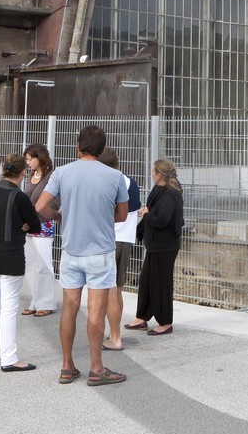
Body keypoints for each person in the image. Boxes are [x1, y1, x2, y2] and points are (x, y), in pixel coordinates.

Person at [35, 124, 128, 387]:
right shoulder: (114, 176)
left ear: (78, 146)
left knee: (70, 309)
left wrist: (59, 216)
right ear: (102, 149)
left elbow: (40, 206)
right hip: (100, 252)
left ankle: (67, 366)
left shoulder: (62, 173)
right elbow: (121, 215)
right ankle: (96, 368)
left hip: (71, 252)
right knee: (96, 311)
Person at [0, 153, 43, 372]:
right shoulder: (20, 196)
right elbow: (35, 226)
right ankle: (9, 358)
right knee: (9, 307)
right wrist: (23, 224)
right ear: (24, 173)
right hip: (10, 255)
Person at [127, 157, 184, 336]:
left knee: (161, 284)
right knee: (146, 281)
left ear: (159, 174)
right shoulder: (159, 190)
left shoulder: (171, 194)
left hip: (165, 246)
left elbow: (162, 220)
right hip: (155, 245)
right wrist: (147, 215)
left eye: (153, 171)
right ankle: (142, 317)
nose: (151, 174)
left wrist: (146, 215)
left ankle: (165, 322)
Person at [96, 147, 144, 351]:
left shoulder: (103, 182)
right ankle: (115, 332)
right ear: (117, 160)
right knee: (118, 289)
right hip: (126, 240)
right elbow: (135, 208)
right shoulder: (129, 182)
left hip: (108, 240)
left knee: (107, 291)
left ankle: (114, 336)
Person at [19, 143, 58, 317]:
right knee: (31, 265)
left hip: (43, 225)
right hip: (29, 226)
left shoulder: (52, 176)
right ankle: (35, 301)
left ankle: (47, 302)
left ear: (39, 157)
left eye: (30, 159)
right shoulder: (31, 176)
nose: (27, 163)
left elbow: (54, 203)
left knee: (43, 265)